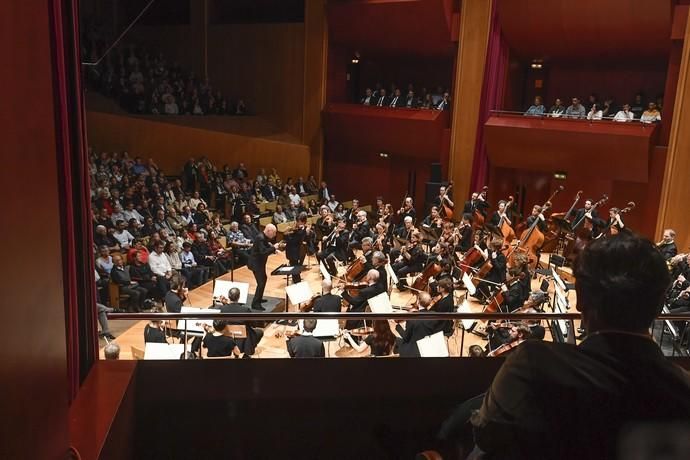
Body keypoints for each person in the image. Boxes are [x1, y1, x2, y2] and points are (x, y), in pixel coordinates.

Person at [458, 234, 690, 459]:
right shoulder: (684, 388)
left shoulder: (534, 362)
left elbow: (486, 434)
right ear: (660, 305)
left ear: (580, 298)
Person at [217, 287, 263, 355]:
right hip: (243, 337)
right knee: (260, 332)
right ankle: (246, 353)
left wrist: (226, 304)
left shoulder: (222, 309)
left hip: (228, 335)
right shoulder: (245, 310)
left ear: (229, 297)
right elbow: (254, 324)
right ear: (239, 297)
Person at [248, 224, 284, 310]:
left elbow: (266, 246)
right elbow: (263, 252)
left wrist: (274, 250)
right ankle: (255, 303)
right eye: (274, 233)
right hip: (256, 264)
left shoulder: (263, 237)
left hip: (259, 263)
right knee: (261, 283)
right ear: (269, 231)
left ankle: (259, 298)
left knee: (263, 280)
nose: (275, 235)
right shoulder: (260, 237)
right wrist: (273, 248)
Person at [283, 213, 311, 283]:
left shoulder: (301, 231)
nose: (296, 223)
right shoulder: (299, 229)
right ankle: (296, 281)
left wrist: (286, 234)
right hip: (293, 251)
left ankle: (297, 283)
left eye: (298, 221)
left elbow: (292, 241)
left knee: (295, 270)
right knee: (294, 268)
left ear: (303, 222)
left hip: (294, 252)